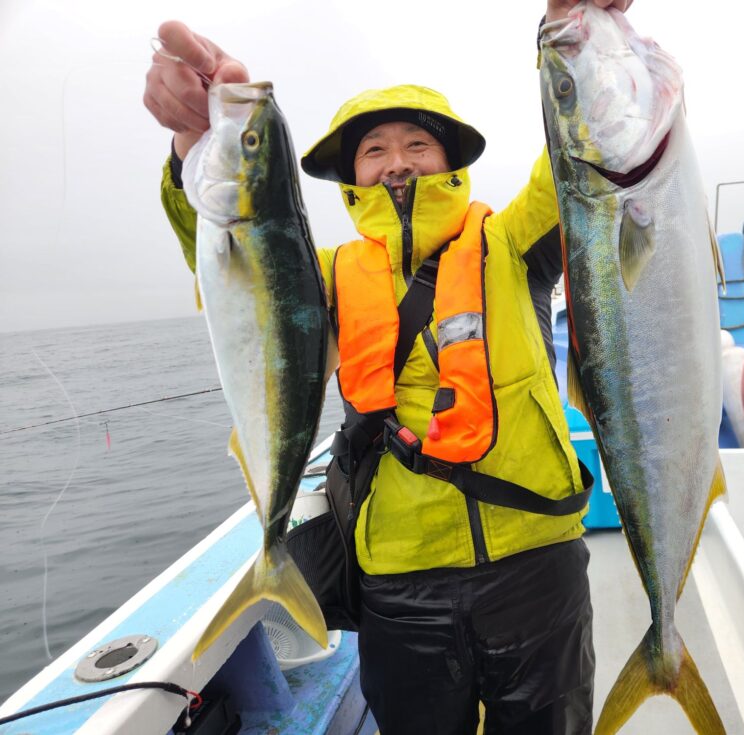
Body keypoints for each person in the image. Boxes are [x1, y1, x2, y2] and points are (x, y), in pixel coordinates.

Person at [145, 2, 632, 733]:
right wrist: (194, 153)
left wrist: (578, 42)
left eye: (416, 144)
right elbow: (241, 269)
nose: (398, 161)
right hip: (399, 581)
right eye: (374, 150)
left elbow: (584, 155)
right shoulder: (328, 276)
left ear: (451, 161)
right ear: (350, 178)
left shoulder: (514, 241)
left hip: (537, 566)